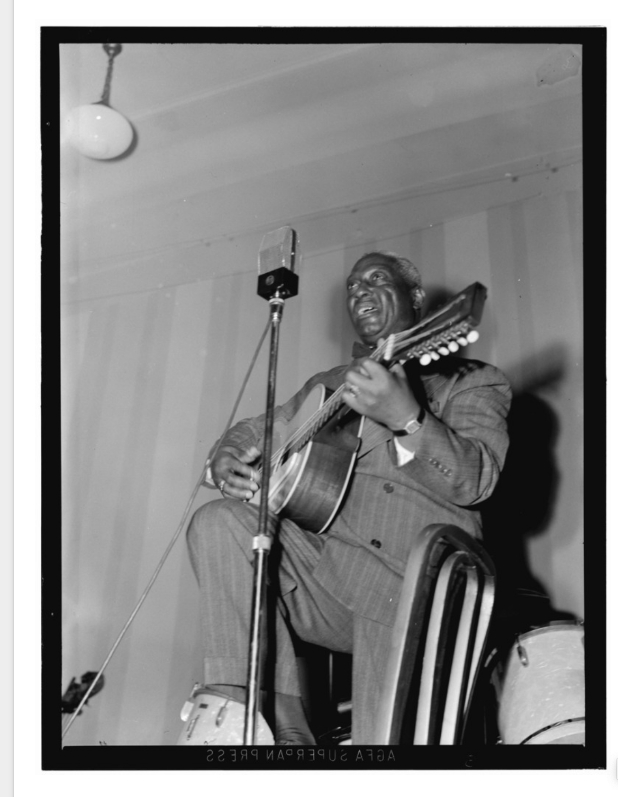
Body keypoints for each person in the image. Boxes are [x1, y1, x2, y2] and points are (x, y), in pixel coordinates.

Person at [186, 251, 512, 744]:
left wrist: (408, 417)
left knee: (381, 748)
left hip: (413, 585)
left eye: (376, 279)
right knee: (220, 521)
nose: (359, 290)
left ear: (417, 301)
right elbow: (257, 427)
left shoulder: (471, 381)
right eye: (352, 285)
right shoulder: (328, 385)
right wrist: (227, 453)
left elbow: (476, 479)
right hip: (330, 578)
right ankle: (264, 723)